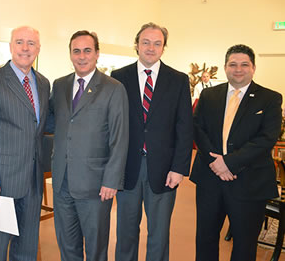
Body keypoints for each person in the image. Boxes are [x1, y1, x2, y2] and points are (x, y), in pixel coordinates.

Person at [191, 44, 282, 261]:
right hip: (210, 179)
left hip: (249, 181)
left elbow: (266, 138)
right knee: (205, 239)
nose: (238, 69)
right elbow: (197, 128)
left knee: (244, 243)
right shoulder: (209, 95)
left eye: (244, 64)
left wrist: (229, 163)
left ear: (253, 68)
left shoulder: (269, 99)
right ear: (225, 67)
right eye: (233, 64)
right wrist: (217, 163)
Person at [111, 22, 193, 261]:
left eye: (157, 43)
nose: (151, 47)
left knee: (158, 233)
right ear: (136, 45)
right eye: (146, 42)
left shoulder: (178, 80)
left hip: (164, 169)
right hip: (127, 168)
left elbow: (184, 127)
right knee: (125, 232)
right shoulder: (119, 77)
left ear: (163, 48)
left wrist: (179, 168)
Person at [50, 30, 129, 261]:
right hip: (62, 183)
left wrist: (111, 181)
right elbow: (55, 123)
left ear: (97, 54)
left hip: (96, 186)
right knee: (67, 247)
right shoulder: (60, 85)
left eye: (87, 50)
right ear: (70, 54)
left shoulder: (113, 88)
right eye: (76, 51)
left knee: (95, 250)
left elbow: (119, 137)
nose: (82, 56)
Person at [0, 26, 50, 261]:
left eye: (30, 43)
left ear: (38, 49)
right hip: (1, 182)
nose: (25, 48)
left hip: (33, 181)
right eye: (19, 42)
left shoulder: (44, 83)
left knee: (27, 246)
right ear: (10, 46)